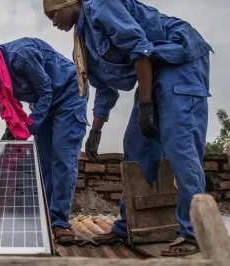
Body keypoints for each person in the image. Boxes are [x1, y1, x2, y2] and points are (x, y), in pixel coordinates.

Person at [42, 0, 213, 256]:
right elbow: (105, 86)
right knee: (136, 143)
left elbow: (139, 47)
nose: (53, 22)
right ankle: (128, 224)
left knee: (180, 143)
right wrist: (96, 130)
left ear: (69, 3)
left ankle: (193, 232)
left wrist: (146, 104)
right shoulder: (83, 38)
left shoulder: (100, 6)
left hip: (179, 57)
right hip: (154, 68)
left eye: (53, 14)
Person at [0, 34, 89, 243]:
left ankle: (59, 222)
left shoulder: (21, 55)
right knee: (43, 160)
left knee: (62, 156)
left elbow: (46, 90)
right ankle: (45, 217)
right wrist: (12, 130)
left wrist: (29, 127)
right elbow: (12, 106)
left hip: (68, 95)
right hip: (43, 105)